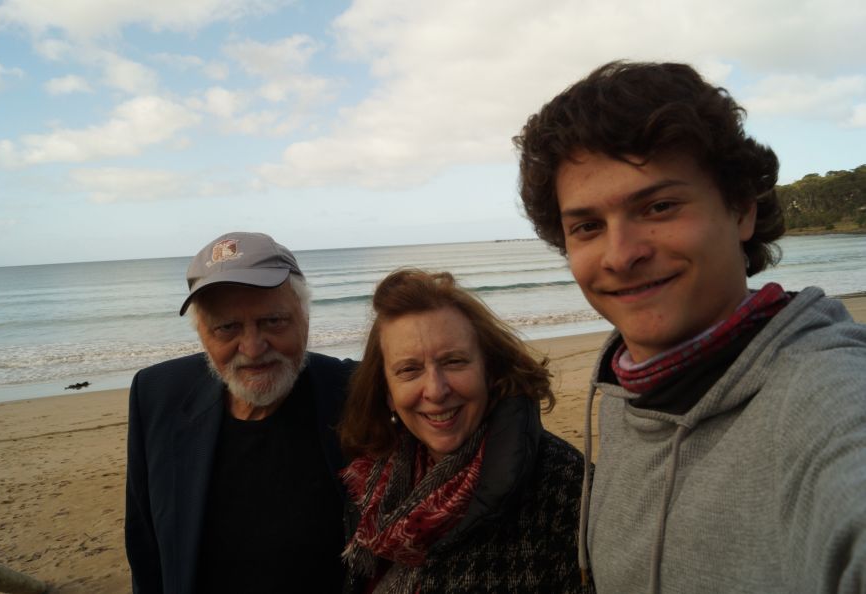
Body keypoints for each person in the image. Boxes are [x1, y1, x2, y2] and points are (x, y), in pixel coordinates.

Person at [513, 60, 866, 593]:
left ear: (742, 210)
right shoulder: (624, 388)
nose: (621, 254)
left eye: (658, 206)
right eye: (587, 226)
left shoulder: (825, 398)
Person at [125, 232, 355, 594]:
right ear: (202, 334)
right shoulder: (156, 397)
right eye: (227, 327)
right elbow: (146, 550)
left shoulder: (354, 391)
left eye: (273, 321)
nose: (252, 347)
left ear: (305, 317)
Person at [337, 269, 590, 593]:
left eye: (454, 362)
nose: (436, 390)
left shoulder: (565, 484)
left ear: (489, 370)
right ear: (387, 392)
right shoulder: (370, 480)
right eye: (410, 369)